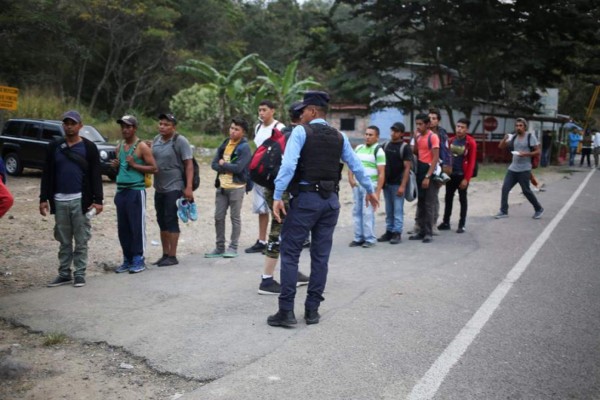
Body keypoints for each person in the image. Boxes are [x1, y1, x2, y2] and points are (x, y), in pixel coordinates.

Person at [267, 91, 378, 327]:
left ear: (313, 111)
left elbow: (288, 166)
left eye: (304, 110)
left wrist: (278, 195)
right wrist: (370, 189)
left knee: (290, 253)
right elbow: (356, 166)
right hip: (330, 203)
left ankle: (286, 311)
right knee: (320, 257)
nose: (301, 115)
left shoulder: (301, 131)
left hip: (306, 200)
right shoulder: (340, 136)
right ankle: (312, 311)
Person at [40, 110, 104, 288]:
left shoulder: (89, 147)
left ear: (80, 126)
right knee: (64, 240)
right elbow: (47, 174)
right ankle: (64, 273)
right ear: (63, 125)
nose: (69, 126)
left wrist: (98, 200)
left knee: (81, 238)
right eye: (66, 123)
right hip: (59, 200)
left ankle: (80, 273)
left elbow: (95, 175)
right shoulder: (54, 147)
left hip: (81, 200)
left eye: (73, 123)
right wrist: (43, 198)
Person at [258, 102, 309, 294]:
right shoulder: (296, 135)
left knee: (286, 231)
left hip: (272, 187)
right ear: (303, 115)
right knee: (279, 231)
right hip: (282, 191)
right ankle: (267, 280)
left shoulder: (282, 133)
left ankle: (292, 273)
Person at [111, 115, 157, 274]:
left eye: (128, 126)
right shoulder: (119, 146)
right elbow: (122, 169)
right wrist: (116, 165)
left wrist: (134, 164)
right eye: (123, 126)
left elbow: (154, 168)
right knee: (123, 228)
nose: (125, 129)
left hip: (136, 191)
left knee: (136, 226)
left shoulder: (142, 146)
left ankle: (138, 258)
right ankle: (127, 258)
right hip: (121, 191)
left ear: (135, 128)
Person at [151, 113, 194, 267]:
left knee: (171, 219)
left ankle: (173, 255)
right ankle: (165, 254)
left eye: (166, 124)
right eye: (161, 123)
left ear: (174, 127)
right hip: (159, 187)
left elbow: (188, 164)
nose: (162, 126)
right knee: (161, 220)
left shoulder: (180, 141)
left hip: (174, 186)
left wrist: (188, 188)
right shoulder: (156, 140)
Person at [205, 117, 252, 258]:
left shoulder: (244, 148)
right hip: (222, 187)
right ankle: (219, 247)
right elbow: (213, 164)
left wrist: (223, 164)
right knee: (218, 217)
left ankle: (233, 247)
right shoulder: (225, 143)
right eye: (232, 128)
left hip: (237, 187)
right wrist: (224, 166)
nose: (233, 131)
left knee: (235, 217)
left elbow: (238, 168)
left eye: (237, 129)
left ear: (243, 132)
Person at [245, 100, 286, 254]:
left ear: (272, 111)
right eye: (259, 110)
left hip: (273, 174)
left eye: (264, 110)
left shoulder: (279, 128)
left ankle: (276, 240)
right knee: (261, 209)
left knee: (276, 207)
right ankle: (261, 240)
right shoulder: (258, 127)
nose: (261, 113)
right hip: (259, 173)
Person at [495, 117, 544, 220]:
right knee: (505, 188)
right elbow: (500, 146)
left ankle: (538, 209)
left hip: (525, 169)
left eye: (520, 126)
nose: (518, 127)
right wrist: (504, 139)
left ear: (525, 127)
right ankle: (503, 211)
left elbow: (538, 151)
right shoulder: (513, 137)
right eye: (517, 126)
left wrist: (526, 154)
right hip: (513, 168)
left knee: (526, 191)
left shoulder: (530, 137)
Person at [348, 125, 385, 248]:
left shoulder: (378, 151)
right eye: (366, 134)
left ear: (377, 137)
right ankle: (358, 237)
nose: (367, 137)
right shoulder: (359, 148)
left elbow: (381, 174)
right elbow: (352, 163)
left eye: (371, 135)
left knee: (367, 212)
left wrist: (377, 192)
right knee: (356, 212)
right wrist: (350, 178)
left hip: (370, 187)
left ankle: (369, 238)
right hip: (357, 186)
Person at [437, 118, 477, 233]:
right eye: (458, 126)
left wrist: (466, 179)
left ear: (466, 129)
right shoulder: (451, 140)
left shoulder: (470, 142)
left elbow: (471, 162)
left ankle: (462, 224)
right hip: (451, 174)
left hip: (462, 175)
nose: (459, 129)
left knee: (462, 199)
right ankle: (446, 222)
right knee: (448, 198)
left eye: (462, 127)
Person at [378, 122, 412, 244]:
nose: (393, 133)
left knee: (398, 210)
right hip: (387, 184)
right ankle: (389, 231)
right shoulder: (386, 145)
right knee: (389, 209)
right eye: (392, 130)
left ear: (402, 133)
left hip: (398, 184)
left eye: (396, 131)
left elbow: (407, 168)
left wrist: (403, 186)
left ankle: (397, 233)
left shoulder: (405, 147)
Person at [409, 114, 440, 243]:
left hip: (429, 171)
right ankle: (421, 230)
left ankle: (428, 232)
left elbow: (435, 158)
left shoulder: (433, 137)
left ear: (427, 124)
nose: (418, 126)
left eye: (421, 124)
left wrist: (428, 176)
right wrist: (416, 139)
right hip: (420, 169)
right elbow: (416, 151)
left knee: (428, 203)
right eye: (417, 124)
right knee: (421, 201)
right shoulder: (418, 136)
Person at [428, 109, 450, 235]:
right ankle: (419, 223)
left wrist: (446, 166)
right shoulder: (423, 131)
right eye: (429, 118)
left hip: (438, 167)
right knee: (422, 196)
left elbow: (446, 151)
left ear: (438, 120)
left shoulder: (442, 133)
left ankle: (433, 223)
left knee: (434, 196)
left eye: (434, 118)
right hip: (424, 166)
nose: (431, 120)